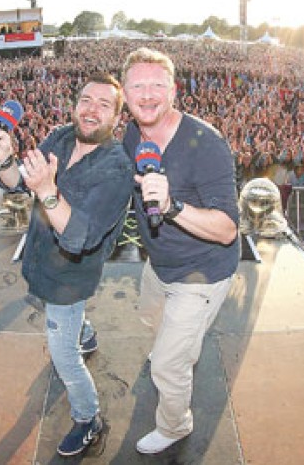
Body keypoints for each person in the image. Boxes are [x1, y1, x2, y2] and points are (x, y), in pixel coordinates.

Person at [0, 72, 133, 457]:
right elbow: (16, 183)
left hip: (69, 278)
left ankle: (88, 416)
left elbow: (79, 236)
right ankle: (86, 332)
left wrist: (47, 191)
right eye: (86, 100)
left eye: (104, 104)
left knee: (64, 358)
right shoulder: (60, 137)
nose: (92, 110)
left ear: (116, 119)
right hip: (40, 264)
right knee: (67, 321)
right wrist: (4, 157)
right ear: (75, 104)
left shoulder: (117, 168)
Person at [120, 47, 240, 455]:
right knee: (152, 320)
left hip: (203, 272)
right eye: (138, 86)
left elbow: (226, 230)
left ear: (174, 90)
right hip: (161, 263)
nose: (148, 94)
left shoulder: (206, 144)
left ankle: (175, 425)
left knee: (168, 365)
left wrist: (172, 207)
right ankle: (175, 348)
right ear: (124, 93)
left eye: (157, 85)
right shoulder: (133, 134)